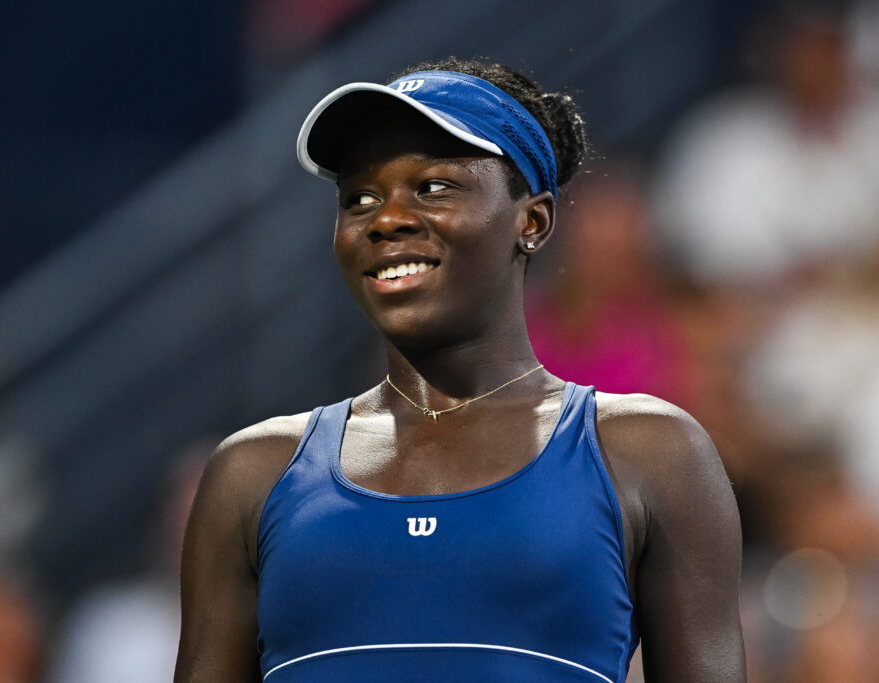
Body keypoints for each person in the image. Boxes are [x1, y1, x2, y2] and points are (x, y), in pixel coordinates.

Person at [175, 58, 745, 682]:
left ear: (532, 221)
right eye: (360, 198)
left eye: (434, 187)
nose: (385, 219)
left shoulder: (653, 454)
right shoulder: (251, 474)